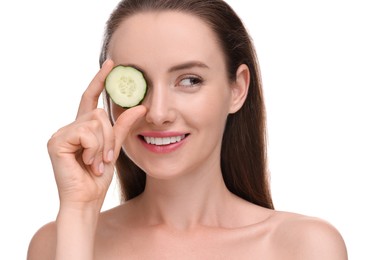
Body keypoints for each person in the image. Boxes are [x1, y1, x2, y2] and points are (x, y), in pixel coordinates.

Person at [27, 0, 348, 259]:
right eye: (136, 82)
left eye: (189, 80)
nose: (158, 113)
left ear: (237, 89)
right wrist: (80, 212)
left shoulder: (305, 247)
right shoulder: (57, 241)